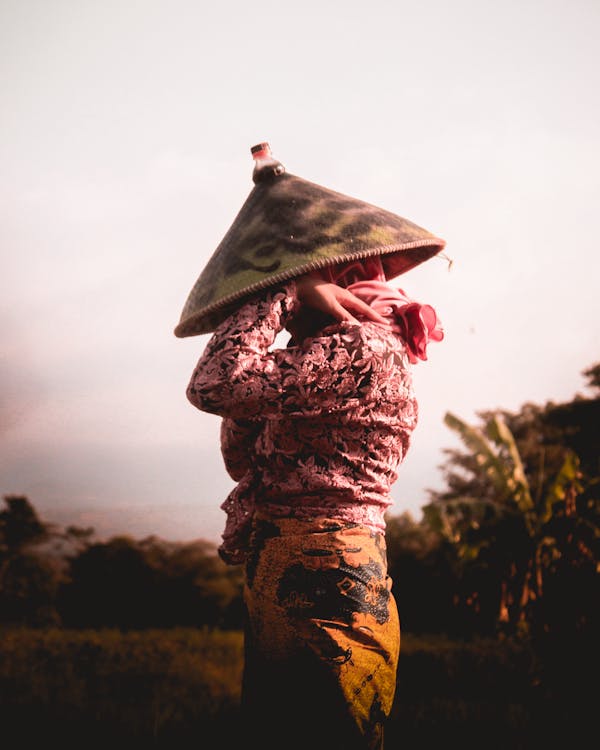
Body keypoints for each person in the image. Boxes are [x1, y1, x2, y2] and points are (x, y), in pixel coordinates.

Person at [176, 143, 446, 750]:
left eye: (314, 279)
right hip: (283, 566)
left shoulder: (364, 351)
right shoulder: (315, 362)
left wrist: (280, 292)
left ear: (341, 284)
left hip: (329, 574)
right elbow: (241, 454)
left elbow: (212, 383)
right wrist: (292, 304)